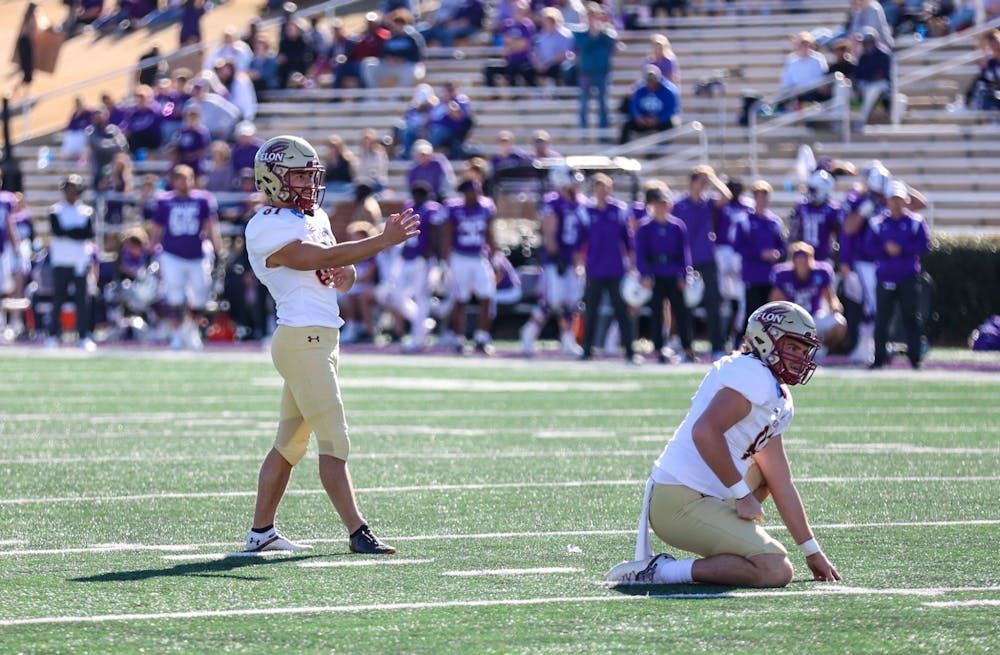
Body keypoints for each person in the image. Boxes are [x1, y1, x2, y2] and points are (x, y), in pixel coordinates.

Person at [243, 134, 419, 554]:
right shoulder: (264, 224)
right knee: (335, 440)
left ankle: (261, 533)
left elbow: (337, 264)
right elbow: (315, 258)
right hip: (301, 340)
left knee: (289, 444)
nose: (308, 185)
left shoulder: (313, 216)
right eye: (299, 177)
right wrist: (382, 240)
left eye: (311, 176)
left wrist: (347, 274)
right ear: (272, 179)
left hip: (320, 339)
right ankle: (358, 532)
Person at [604, 300, 841, 588]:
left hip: (705, 495)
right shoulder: (752, 373)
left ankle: (732, 541)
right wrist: (742, 495)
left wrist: (812, 550)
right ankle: (661, 572)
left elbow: (781, 479)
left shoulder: (776, 392)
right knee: (775, 569)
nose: (799, 358)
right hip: (679, 499)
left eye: (804, 351)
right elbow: (705, 432)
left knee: (767, 473)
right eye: (792, 347)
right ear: (764, 341)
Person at [149, 165, 222, 351]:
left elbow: (211, 225)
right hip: (171, 253)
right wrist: (151, 248)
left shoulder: (203, 199)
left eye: (187, 178)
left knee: (200, 294)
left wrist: (217, 249)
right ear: (173, 181)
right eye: (180, 179)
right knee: (175, 295)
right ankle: (176, 334)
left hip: (197, 254)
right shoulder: (164, 201)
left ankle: (191, 329)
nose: (184, 182)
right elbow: (157, 227)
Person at [519, 165, 587, 357]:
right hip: (556, 260)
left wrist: (580, 259)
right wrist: (556, 256)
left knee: (571, 302)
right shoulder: (553, 202)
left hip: (575, 260)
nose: (576, 184)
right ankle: (529, 332)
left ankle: (568, 340)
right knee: (552, 301)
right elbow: (549, 232)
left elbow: (584, 235)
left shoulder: (582, 203)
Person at [865, 181, 930, 370]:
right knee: (882, 319)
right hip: (885, 277)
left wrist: (902, 249)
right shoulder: (877, 222)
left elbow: (925, 245)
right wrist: (885, 250)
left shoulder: (915, 221)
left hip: (908, 276)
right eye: (893, 199)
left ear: (906, 200)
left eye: (899, 199)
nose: (896, 202)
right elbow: (868, 248)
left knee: (912, 317)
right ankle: (879, 359)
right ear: (887, 200)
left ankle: (915, 358)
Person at [672, 165, 732, 359]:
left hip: (707, 259)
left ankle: (717, 347)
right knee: (685, 305)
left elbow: (727, 196)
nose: (703, 185)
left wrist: (712, 178)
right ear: (691, 182)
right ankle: (686, 348)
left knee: (713, 304)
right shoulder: (680, 205)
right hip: (686, 261)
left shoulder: (708, 203)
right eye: (700, 181)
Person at [578, 173, 637, 363]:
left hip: (615, 269)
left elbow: (628, 240)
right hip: (594, 269)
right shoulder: (587, 211)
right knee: (591, 310)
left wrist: (631, 263)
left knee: (621, 310)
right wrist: (578, 264)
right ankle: (587, 349)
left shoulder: (619, 210)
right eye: (599, 187)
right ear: (594, 190)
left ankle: (629, 351)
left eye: (606, 187)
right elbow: (580, 240)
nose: (603, 191)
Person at [635, 181, 694, 364]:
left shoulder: (677, 226)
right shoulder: (645, 227)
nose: (661, 207)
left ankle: (687, 348)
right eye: (658, 203)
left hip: (673, 273)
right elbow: (640, 253)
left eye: (664, 203)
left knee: (681, 312)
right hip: (655, 274)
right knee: (657, 314)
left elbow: (684, 253)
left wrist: (684, 274)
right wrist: (644, 274)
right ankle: (659, 348)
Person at [440, 178, 497, 354]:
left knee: (487, 296)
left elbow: (489, 233)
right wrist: (444, 260)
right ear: (464, 193)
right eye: (471, 191)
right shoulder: (453, 208)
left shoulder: (486, 207)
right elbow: (447, 235)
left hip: (479, 257)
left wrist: (496, 255)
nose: (475, 195)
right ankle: (458, 339)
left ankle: (481, 337)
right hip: (460, 257)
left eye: (477, 191)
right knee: (460, 299)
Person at [45, 175, 97, 351]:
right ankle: (53, 335)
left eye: (74, 189)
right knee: (58, 299)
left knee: (82, 300)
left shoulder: (86, 211)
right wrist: (75, 233)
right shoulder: (56, 210)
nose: (72, 193)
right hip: (61, 260)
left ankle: (83, 336)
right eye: (68, 189)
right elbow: (57, 231)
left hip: (80, 261)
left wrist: (69, 233)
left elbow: (88, 233)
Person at [770, 242, 847, 354]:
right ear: (793, 260)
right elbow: (774, 303)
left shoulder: (820, 273)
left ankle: (820, 348)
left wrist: (836, 307)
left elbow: (831, 299)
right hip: (792, 319)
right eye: (798, 258)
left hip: (814, 316)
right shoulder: (783, 274)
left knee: (839, 322)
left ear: (811, 259)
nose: (802, 262)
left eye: (805, 258)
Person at [734, 180, 787, 341]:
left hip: (769, 275)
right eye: (759, 196)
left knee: (768, 313)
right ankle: (740, 342)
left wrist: (777, 254)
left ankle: (764, 344)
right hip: (751, 275)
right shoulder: (744, 220)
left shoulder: (774, 221)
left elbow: (783, 247)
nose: (762, 199)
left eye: (765, 196)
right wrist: (760, 254)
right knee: (749, 312)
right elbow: (738, 246)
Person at [573, 3, 618, 134]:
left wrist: (599, 30)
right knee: (584, 104)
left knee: (603, 103)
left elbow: (613, 41)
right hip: (586, 73)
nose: (592, 19)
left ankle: (603, 133)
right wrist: (592, 33)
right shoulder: (580, 33)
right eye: (590, 16)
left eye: (594, 15)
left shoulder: (606, 32)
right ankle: (584, 134)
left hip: (602, 72)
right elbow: (581, 45)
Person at [788, 169, 842, 266]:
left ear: (823, 190)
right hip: (801, 259)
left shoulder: (833, 209)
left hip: (824, 259)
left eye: (813, 190)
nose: (809, 192)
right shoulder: (801, 206)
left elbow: (840, 237)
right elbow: (793, 234)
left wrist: (836, 257)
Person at [619, 64, 680, 144]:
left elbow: (671, 110)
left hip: (660, 121)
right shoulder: (640, 90)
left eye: (653, 81)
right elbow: (634, 105)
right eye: (649, 81)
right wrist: (639, 117)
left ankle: (659, 151)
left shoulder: (668, 92)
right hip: (644, 120)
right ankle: (621, 148)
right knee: (627, 126)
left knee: (669, 127)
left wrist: (658, 119)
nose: (651, 84)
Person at [483, 0, 537, 89]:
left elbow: (524, 45)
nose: (518, 12)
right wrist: (516, 42)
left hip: (524, 62)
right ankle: (494, 95)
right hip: (509, 61)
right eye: (516, 10)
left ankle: (517, 95)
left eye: (521, 10)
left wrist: (512, 43)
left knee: (516, 70)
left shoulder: (528, 25)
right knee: (490, 68)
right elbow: (506, 42)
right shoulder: (507, 24)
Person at [853, 28, 893, 130]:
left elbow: (881, 75)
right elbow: (858, 75)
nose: (866, 44)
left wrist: (865, 84)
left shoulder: (883, 54)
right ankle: (838, 120)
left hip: (881, 85)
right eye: (865, 42)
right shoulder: (863, 56)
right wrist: (857, 86)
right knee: (844, 88)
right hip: (865, 84)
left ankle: (862, 120)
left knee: (872, 90)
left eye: (869, 41)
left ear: (875, 41)